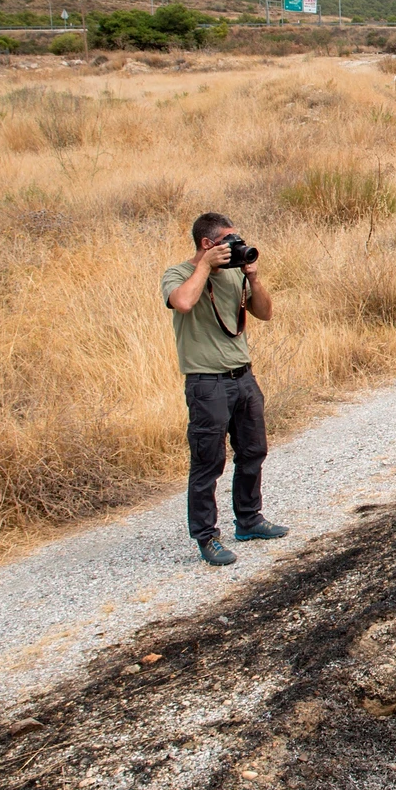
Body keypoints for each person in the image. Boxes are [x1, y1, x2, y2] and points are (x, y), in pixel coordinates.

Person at [162, 212, 289, 566]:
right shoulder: (178, 274)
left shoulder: (236, 274)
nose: (236, 246)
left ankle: (249, 520)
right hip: (206, 382)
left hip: (243, 378)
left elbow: (265, 313)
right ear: (207, 244)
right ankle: (206, 537)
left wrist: (253, 278)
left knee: (253, 451)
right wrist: (205, 267)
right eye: (228, 241)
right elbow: (183, 302)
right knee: (208, 462)